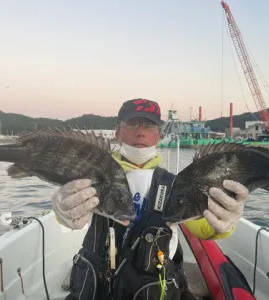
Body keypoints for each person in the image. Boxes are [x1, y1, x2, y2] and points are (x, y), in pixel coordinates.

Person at [52, 98, 249, 300]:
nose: (140, 131)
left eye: (149, 125)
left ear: (160, 134)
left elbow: (203, 229)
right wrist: (62, 210)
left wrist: (225, 221)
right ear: (117, 132)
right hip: (97, 284)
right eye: (131, 124)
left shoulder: (177, 184)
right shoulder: (92, 176)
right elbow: (72, 216)